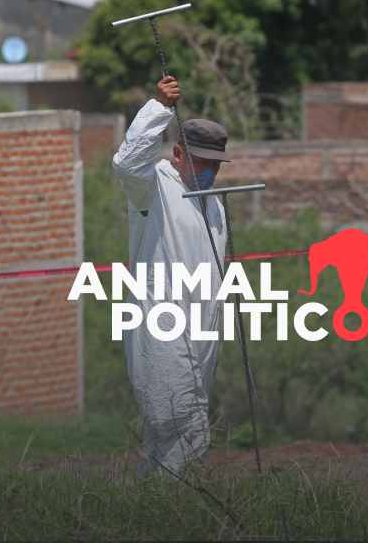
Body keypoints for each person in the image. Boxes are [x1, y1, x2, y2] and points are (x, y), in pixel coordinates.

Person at [112, 74, 230, 477]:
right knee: (181, 424)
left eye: (215, 165)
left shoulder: (214, 204)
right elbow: (126, 163)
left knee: (185, 428)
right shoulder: (152, 186)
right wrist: (159, 108)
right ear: (178, 153)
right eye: (202, 162)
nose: (209, 172)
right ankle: (166, 501)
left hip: (202, 327)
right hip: (161, 322)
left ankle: (160, 505)